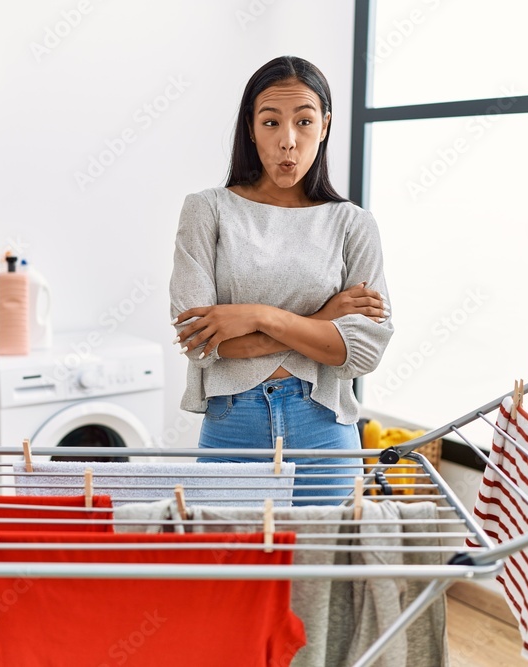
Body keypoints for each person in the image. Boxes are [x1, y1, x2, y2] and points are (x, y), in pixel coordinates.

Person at [169, 55, 393, 505]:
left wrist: (255, 316)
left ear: (325, 125)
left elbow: (362, 351)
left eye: (304, 121)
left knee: (322, 572)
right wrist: (325, 319)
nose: (287, 141)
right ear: (251, 127)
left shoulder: (353, 224)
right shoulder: (207, 210)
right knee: (230, 573)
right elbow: (205, 342)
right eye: (271, 122)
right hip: (233, 427)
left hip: (325, 429)